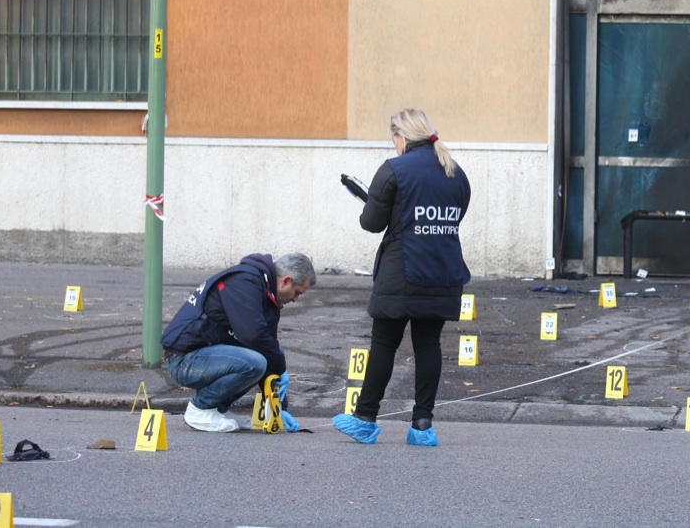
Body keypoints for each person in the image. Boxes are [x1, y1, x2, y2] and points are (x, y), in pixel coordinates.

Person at [333, 109, 471, 447]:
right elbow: (455, 216)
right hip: (442, 270)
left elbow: (371, 223)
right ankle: (422, 426)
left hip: (400, 273)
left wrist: (372, 202)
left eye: (393, 139)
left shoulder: (394, 169)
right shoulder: (456, 172)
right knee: (428, 346)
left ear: (401, 136)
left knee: (384, 344)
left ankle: (365, 419)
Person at [161, 252, 316, 432]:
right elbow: (255, 337)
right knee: (255, 362)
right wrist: (281, 369)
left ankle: (217, 410)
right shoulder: (244, 282)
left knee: (260, 360)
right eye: (297, 293)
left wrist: (281, 407)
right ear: (286, 281)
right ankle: (201, 408)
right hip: (183, 360)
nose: (296, 299)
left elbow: (267, 348)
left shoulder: (267, 298)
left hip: (205, 357)